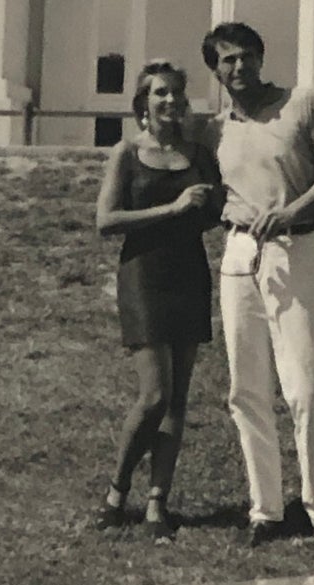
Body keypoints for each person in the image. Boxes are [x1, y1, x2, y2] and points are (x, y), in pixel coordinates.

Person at [201, 22, 314, 548]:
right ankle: (265, 510)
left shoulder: (303, 105)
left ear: (261, 58)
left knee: (305, 384)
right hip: (239, 252)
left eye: (246, 57)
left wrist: (290, 213)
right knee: (246, 389)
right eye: (226, 61)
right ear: (216, 72)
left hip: (297, 247)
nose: (238, 68)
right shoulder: (216, 130)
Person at [94, 60, 220, 541]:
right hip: (143, 274)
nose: (170, 101)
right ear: (143, 103)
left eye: (177, 93)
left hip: (189, 273)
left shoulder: (199, 154)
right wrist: (172, 208)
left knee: (178, 399)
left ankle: (156, 504)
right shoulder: (126, 153)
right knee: (154, 395)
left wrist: (208, 209)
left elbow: (214, 212)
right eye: (160, 93)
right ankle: (115, 492)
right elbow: (105, 221)